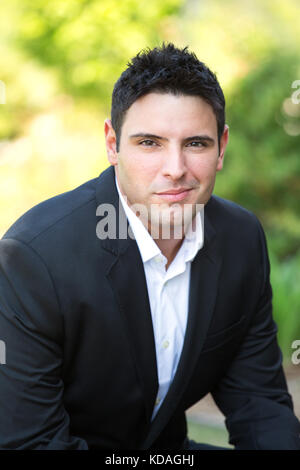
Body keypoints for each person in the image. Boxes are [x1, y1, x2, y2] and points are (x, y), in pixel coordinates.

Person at [0, 43, 299, 451]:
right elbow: (29, 442)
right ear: (112, 144)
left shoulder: (241, 239)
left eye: (195, 143)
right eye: (149, 143)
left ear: (222, 147)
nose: (175, 168)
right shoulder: (33, 258)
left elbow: (260, 405)